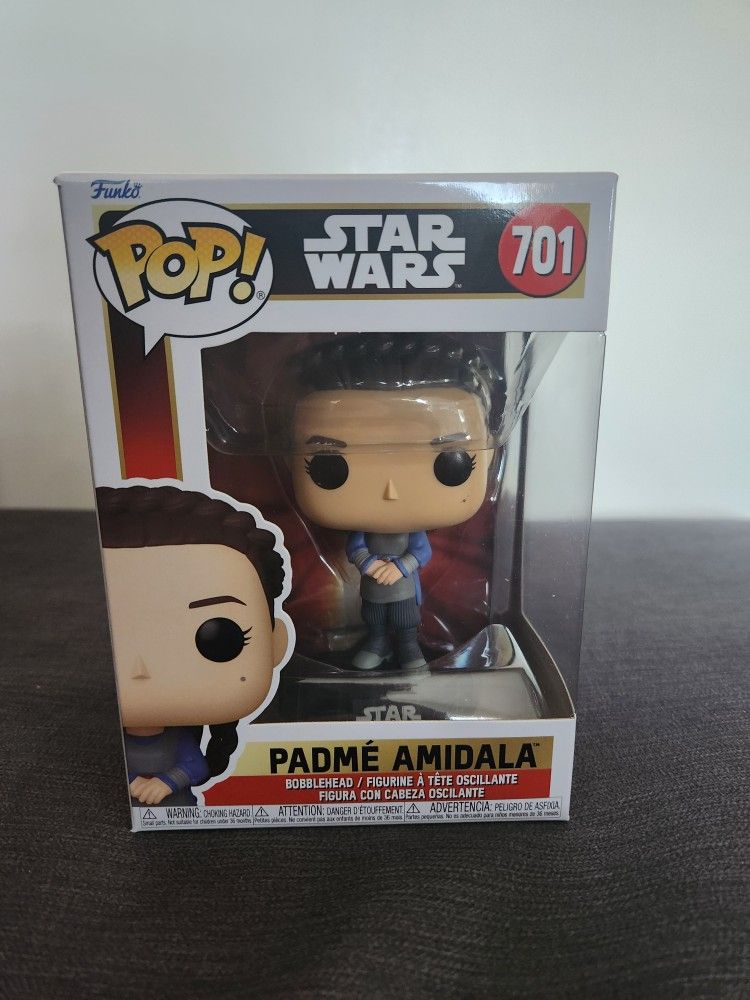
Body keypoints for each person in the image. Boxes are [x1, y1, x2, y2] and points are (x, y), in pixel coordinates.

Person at [289, 333, 501, 670]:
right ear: (291, 459)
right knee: (374, 617)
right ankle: (377, 644)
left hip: (401, 585)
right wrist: (370, 565)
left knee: (405, 619)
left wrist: (399, 567)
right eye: (329, 466)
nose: (391, 491)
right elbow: (356, 548)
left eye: (451, 463)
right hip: (373, 584)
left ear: (489, 453)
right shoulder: (362, 534)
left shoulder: (414, 534)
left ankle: (408, 648)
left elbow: (421, 552)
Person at [97, 484, 289, 806]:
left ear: (276, 643)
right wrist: (133, 781)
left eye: (220, 638)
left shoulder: (179, 740)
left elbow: (196, 765)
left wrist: (166, 782)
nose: (140, 669)